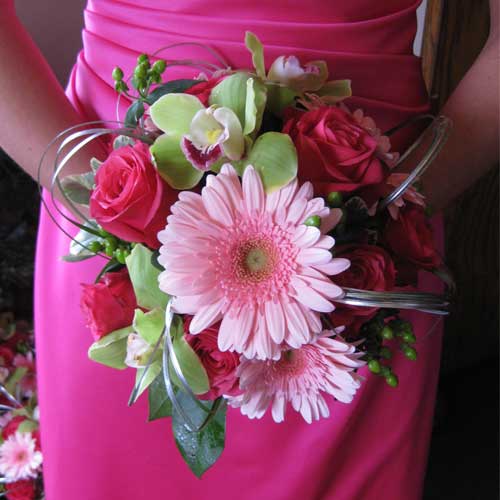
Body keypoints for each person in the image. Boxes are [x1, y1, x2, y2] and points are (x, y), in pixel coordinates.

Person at [0, 1, 498, 499]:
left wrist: (390, 211)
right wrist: (110, 201)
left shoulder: (373, 229)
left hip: (359, 237)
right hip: (120, 209)